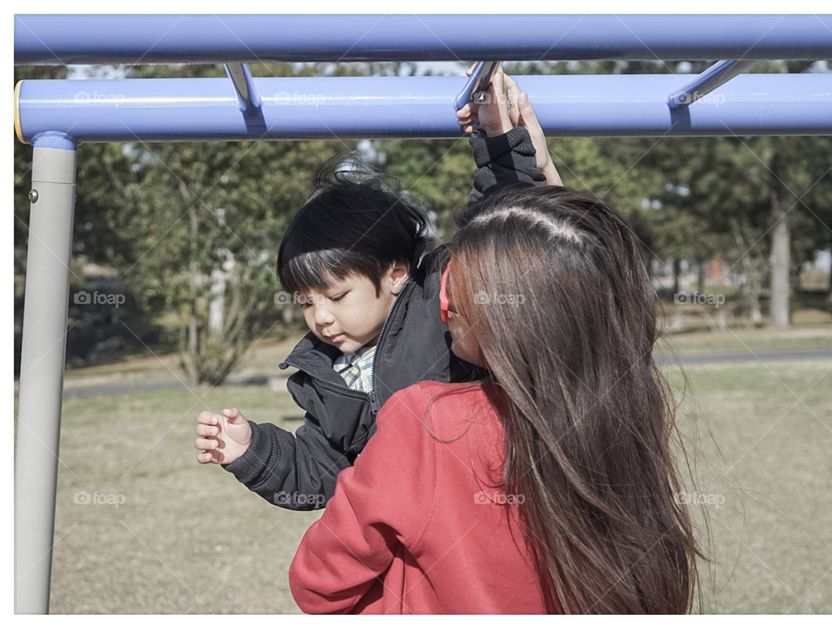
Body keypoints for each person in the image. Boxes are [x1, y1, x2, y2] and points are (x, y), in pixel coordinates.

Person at [289, 185, 701, 614]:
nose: (444, 298)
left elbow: (317, 582)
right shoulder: (623, 414)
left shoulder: (427, 423)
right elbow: (577, 261)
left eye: (461, 279)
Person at [193, 68, 561, 510]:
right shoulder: (327, 375)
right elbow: (323, 472)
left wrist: (498, 142)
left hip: (484, 504)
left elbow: (496, 227)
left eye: (337, 296)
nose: (321, 318)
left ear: (395, 274)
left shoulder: (439, 302)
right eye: (306, 302)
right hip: (408, 532)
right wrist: (253, 451)